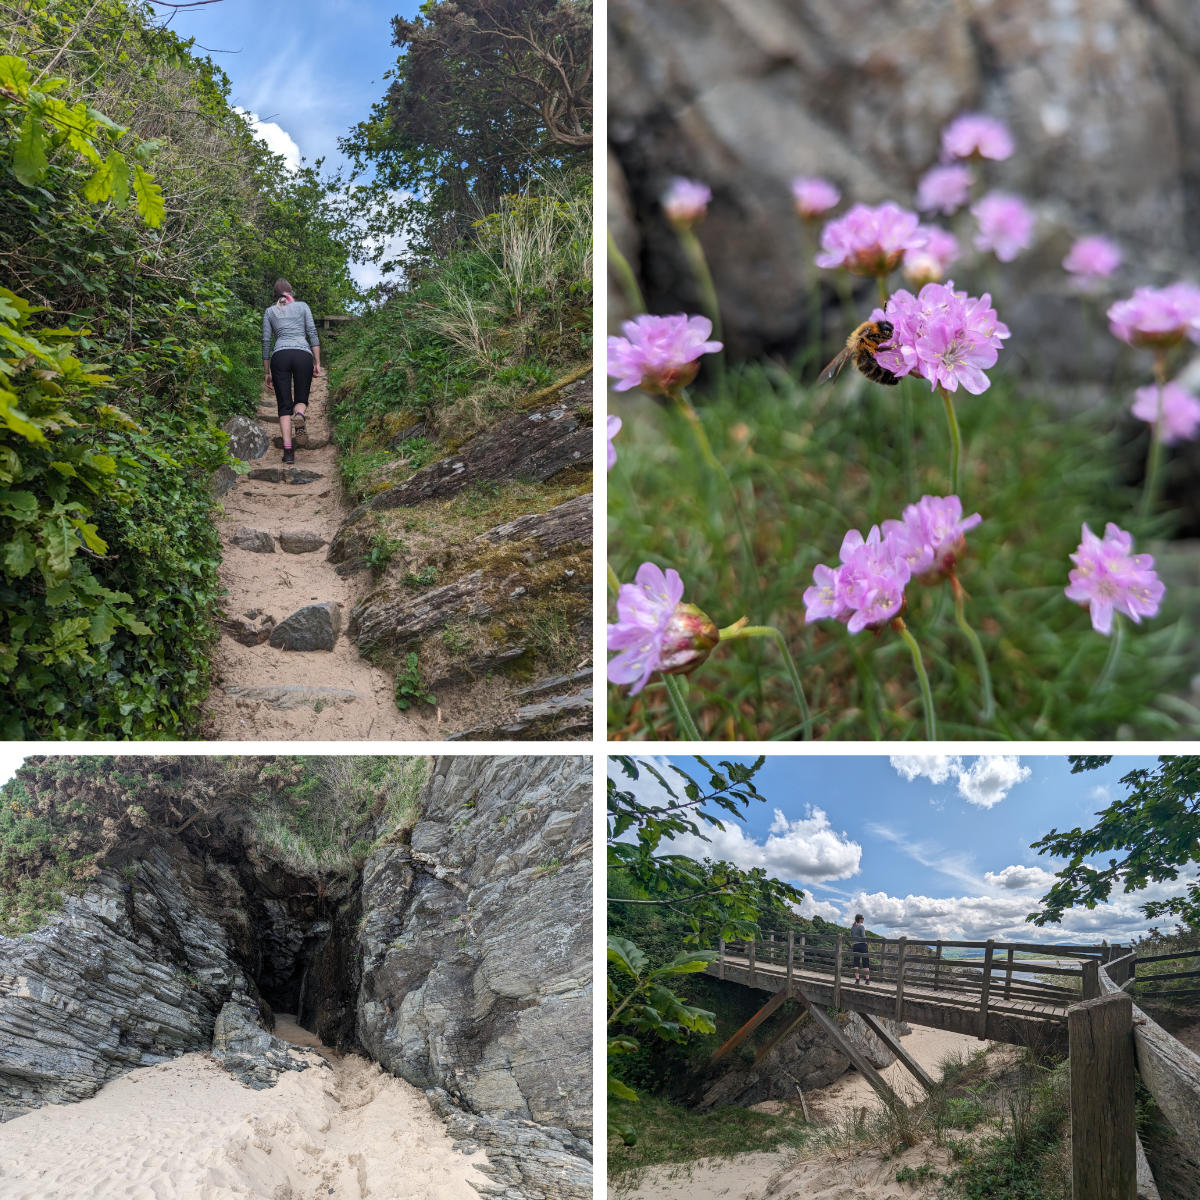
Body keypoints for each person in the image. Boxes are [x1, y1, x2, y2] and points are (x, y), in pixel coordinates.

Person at [262, 278, 321, 464]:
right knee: (301, 399)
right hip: (303, 355)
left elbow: (266, 341)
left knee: (283, 405)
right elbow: (312, 332)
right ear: (291, 292)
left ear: (274, 295)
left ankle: (288, 453)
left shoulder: (270, 311)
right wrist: (317, 361)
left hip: (280, 356)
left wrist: (267, 371)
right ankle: (301, 415)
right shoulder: (303, 306)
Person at [851, 913, 870, 985]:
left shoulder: (852, 927)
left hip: (855, 945)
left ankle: (857, 980)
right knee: (865, 962)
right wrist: (867, 943)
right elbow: (863, 937)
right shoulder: (861, 927)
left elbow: (852, 936)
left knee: (856, 962)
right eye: (863, 918)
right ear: (860, 919)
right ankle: (867, 979)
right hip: (862, 945)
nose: (863, 919)